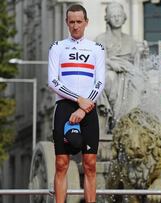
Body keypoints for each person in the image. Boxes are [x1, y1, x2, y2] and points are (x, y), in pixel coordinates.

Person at [48, 4, 105, 203]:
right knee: (62, 163)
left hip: (88, 108)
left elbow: (100, 81)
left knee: (90, 164)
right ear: (66, 23)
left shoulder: (96, 48)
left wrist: (84, 106)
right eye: (71, 22)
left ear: (86, 22)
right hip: (65, 107)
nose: (75, 26)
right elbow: (53, 81)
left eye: (79, 22)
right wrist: (78, 100)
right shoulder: (57, 47)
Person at [95, 2, 147, 125]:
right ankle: (115, 117)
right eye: (113, 16)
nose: (117, 18)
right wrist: (111, 64)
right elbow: (98, 59)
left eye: (119, 15)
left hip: (128, 71)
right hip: (109, 70)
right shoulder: (100, 39)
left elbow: (137, 63)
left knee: (138, 82)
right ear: (107, 19)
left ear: (124, 18)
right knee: (110, 78)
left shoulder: (130, 40)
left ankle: (128, 118)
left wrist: (143, 55)